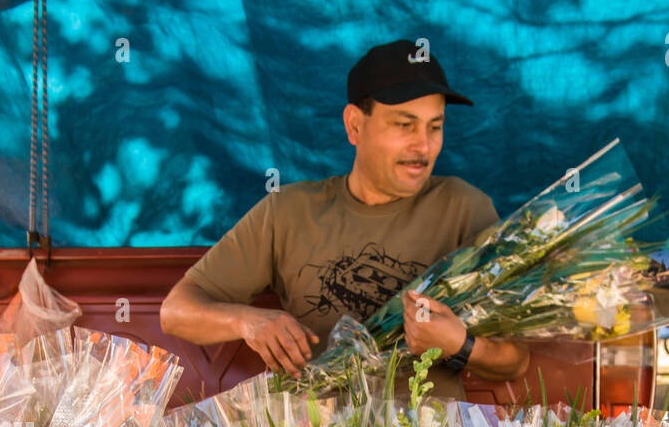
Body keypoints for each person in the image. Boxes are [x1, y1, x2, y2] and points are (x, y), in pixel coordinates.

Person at [160, 37, 529, 396]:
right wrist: (247, 321)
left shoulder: (465, 209)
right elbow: (176, 311)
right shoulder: (288, 210)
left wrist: (460, 345)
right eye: (405, 125)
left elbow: (515, 361)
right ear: (354, 125)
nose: (424, 146)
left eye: (435, 126)